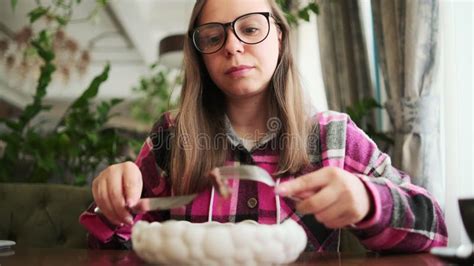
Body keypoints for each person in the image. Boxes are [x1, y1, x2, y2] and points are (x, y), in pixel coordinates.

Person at [80, 0, 447, 251]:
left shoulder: (334, 137)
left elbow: (434, 227)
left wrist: (370, 201)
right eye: (213, 37)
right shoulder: (170, 137)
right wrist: (111, 203)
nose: (233, 47)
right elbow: (118, 246)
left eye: (251, 29)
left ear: (280, 36)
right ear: (200, 56)